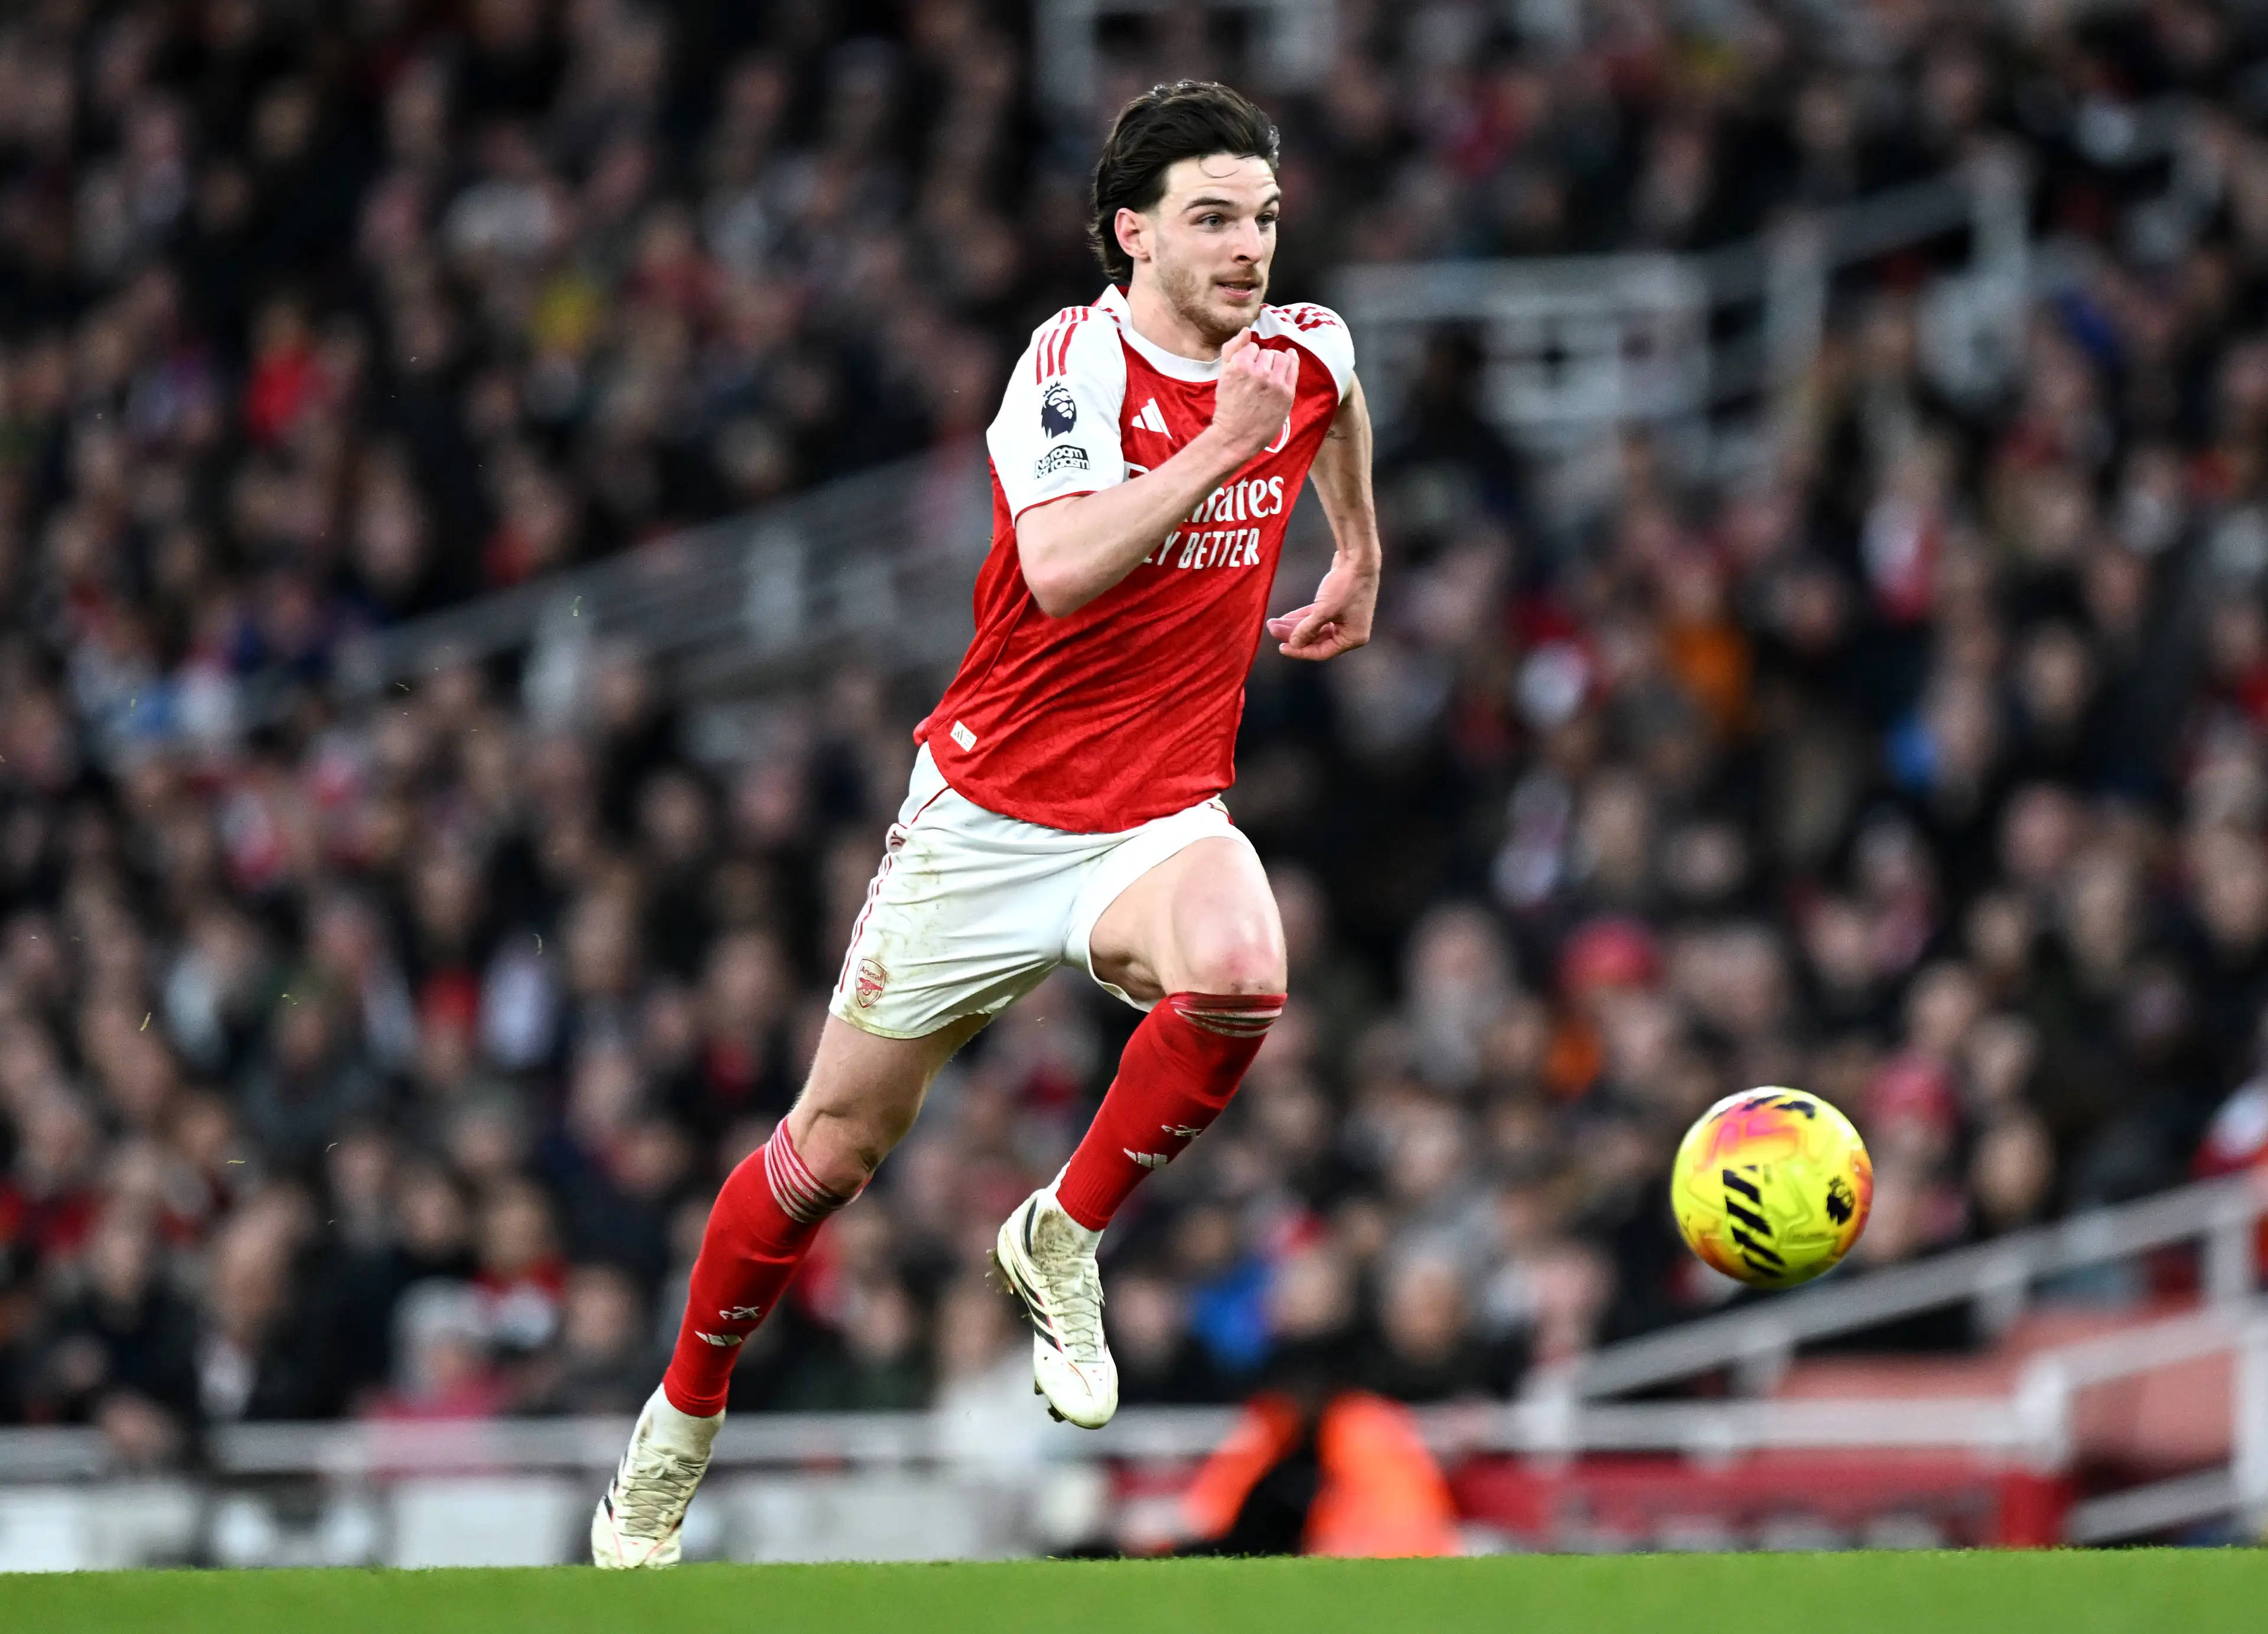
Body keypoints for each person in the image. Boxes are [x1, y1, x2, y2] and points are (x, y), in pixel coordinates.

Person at [590, 79, 1383, 1568]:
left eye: (1266, 219)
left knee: (1245, 969)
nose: (1249, 249)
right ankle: (679, 1424)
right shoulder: (1070, 365)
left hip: (1158, 811)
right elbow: (1066, 566)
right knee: (831, 1150)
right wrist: (1222, 450)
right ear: (1133, 233)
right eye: (1214, 219)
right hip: (991, 818)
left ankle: (1061, 1234)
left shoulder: (1302, 348)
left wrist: (1359, 552)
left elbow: (1336, 396)